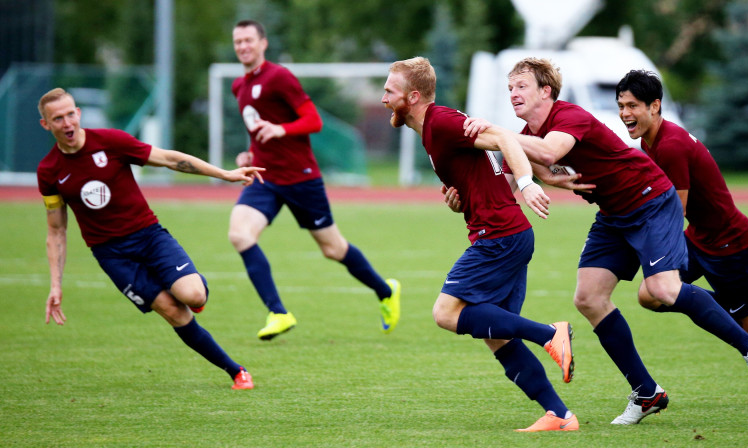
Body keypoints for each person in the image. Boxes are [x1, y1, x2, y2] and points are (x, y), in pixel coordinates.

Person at [462, 57, 748, 424]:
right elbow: (512, 181)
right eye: (510, 87)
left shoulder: (568, 116)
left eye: (521, 86)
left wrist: (500, 135)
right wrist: (463, 196)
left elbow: (549, 153)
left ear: (545, 91)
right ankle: (646, 392)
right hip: (613, 215)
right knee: (588, 298)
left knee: (663, 289)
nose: (513, 93)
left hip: (651, 200)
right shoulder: (525, 134)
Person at [382, 56, 579, 433]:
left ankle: (549, 333)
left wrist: (528, 183)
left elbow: (505, 137)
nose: (383, 99)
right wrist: (461, 201)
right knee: (498, 337)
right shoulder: (431, 130)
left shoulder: (440, 122)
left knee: (445, 313)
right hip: (506, 232)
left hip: (500, 235)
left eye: (390, 91)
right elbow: (479, 177)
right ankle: (560, 415)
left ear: (414, 95)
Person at [37, 88, 262, 390]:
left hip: (149, 236)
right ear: (46, 125)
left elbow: (169, 159)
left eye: (69, 114)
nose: (66, 123)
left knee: (194, 296)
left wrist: (225, 174)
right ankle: (237, 372)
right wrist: (55, 284)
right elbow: (56, 230)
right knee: (172, 311)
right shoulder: (49, 171)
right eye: (57, 118)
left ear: (78, 113)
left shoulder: (112, 141)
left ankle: (193, 292)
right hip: (112, 255)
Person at [616, 69, 748, 408]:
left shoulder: (670, 145)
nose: (625, 113)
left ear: (655, 106)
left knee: (746, 324)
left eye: (633, 105)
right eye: (621, 105)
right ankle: (714, 307)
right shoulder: (648, 139)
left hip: (731, 243)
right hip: (698, 238)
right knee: (650, 294)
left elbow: (674, 210)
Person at [228, 19, 400, 340]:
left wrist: (282, 130)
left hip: (300, 178)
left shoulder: (279, 77)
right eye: (238, 41)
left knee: (333, 249)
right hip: (265, 177)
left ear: (263, 43)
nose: (243, 47)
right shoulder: (239, 87)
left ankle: (385, 291)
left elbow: (313, 120)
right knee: (240, 234)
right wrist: (249, 154)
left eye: (249, 40)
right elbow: (257, 130)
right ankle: (278, 313)